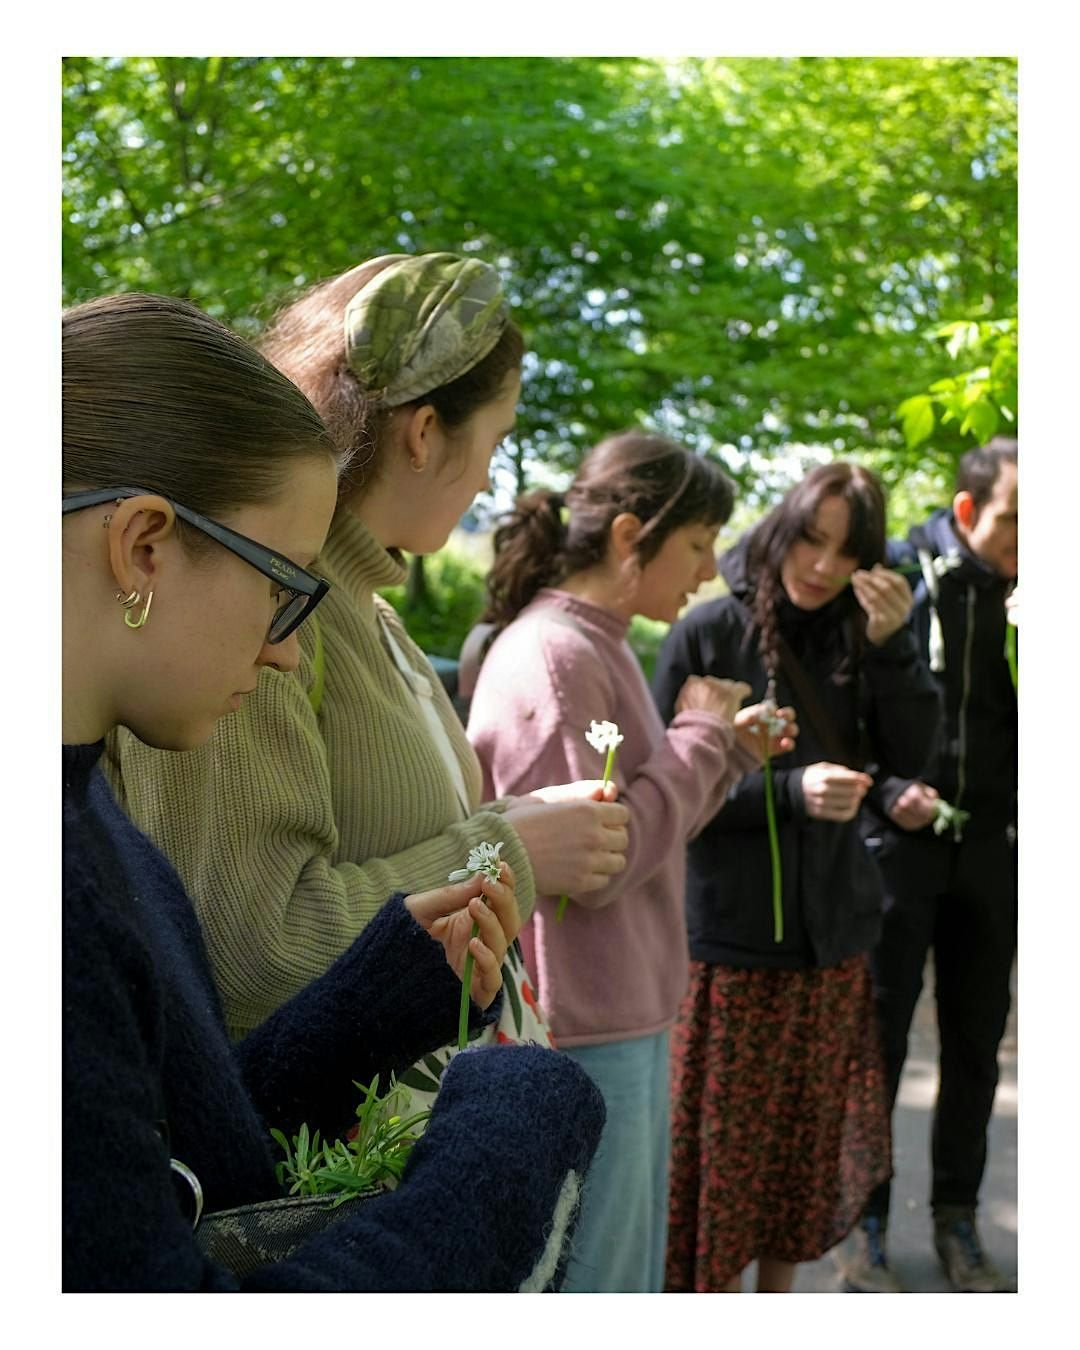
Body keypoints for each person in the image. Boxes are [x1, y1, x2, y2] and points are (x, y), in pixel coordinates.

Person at [62, 292, 605, 1291]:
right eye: (281, 587)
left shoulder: (91, 829)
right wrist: (506, 1138)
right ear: (142, 547)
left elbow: (188, 1155)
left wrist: (375, 1002)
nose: (289, 650)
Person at [105, 255, 629, 1099]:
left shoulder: (371, 615)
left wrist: (501, 831)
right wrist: (512, 853)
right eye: (495, 442)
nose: (494, 477)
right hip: (335, 1175)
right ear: (424, 434)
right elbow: (249, 952)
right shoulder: (259, 622)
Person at [466, 431, 792, 1292]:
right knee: (603, 1284)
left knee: (627, 1273)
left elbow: (642, 820)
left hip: (621, 1010)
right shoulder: (555, 655)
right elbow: (598, 863)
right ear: (628, 535)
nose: (709, 569)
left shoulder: (597, 641)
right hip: (585, 1023)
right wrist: (697, 735)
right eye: (695, 545)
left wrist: (724, 751)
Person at [653, 461, 941, 1294]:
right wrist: (787, 791)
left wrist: (894, 652)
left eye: (846, 552)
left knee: (796, 1172)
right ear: (783, 528)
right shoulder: (708, 629)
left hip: (833, 942)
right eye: (811, 540)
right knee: (713, 1178)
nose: (822, 566)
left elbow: (913, 756)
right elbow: (660, 791)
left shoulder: (871, 628)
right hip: (732, 946)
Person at [842, 438, 1018, 1294]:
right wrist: (882, 791)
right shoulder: (896, 578)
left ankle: (958, 1220)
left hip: (993, 848)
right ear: (964, 512)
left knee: (978, 1043)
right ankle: (865, 1227)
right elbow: (842, 708)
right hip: (897, 851)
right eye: (1016, 519)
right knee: (877, 1039)